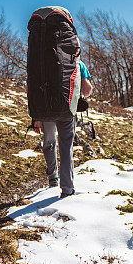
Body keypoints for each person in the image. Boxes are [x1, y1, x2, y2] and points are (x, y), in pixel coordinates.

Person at [34, 58, 93, 197]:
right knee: (66, 146)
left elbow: (33, 89)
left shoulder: (43, 60)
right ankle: (67, 189)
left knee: (49, 142)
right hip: (68, 110)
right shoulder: (78, 63)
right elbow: (87, 90)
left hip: (46, 110)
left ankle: (53, 178)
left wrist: (36, 117)